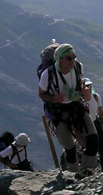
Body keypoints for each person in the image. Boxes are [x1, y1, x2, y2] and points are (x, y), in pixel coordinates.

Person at [38, 43, 99, 174]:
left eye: (74, 57)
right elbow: (41, 94)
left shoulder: (78, 67)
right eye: (69, 58)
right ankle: (73, 173)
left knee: (93, 140)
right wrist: (54, 98)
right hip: (57, 112)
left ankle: (87, 169)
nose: (73, 61)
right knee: (69, 147)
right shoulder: (47, 75)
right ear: (59, 59)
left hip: (75, 106)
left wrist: (83, 91)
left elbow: (79, 81)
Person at [81, 78, 103, 171]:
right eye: (86, 86)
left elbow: (101, 112)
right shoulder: (79, 100)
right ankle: (87, 169)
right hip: (85, 125)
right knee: (90, 146)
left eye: (90, 86)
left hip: (95, 122)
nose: (89, 88)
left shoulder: (95, 97)